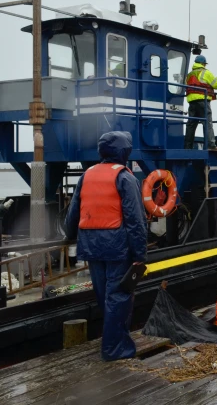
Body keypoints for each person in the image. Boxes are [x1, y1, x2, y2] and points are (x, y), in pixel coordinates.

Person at [64, 131, 147, 361]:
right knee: (118, 297)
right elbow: (135, 220)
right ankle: (114, 349)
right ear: (124, 151)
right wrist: (140, 253)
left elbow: (73, 213)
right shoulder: (125, 178)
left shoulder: (86, 175)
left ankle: (113, 341)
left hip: (90, 246)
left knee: (104, 297)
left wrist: (68, 235)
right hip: (117, 247)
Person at [184, 55, 217, 150]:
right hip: (203, 100)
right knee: (207, 122)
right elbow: (216, 85)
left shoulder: (189, 75)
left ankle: (187, 147)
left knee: (191, 125)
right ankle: (211, 145)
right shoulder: (206, 73)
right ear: (203, 64)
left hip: (191, 102)